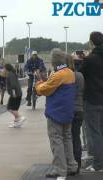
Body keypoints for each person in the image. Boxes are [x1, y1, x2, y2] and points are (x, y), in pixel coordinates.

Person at [35, 49, 78, 179]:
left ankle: (60, 169)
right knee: (67, 138)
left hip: (56, 113)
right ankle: (71, 165)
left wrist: (38, 83)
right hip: (68, 112)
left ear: (53, 61)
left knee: (56, 140)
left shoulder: (58, 74)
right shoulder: (70, 73)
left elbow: (45, 90)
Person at [79, 31, 103, 172]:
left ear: (91, 43)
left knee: (94, 133)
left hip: (93, 100)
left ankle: (98, 164)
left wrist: (80, 60)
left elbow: (80, 74)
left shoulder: (90, 60)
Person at [66, 54, 84, 174]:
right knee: (76, 137)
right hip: (80, 109)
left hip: (69, 109)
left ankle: (70, 164)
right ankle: (78, 163)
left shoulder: (66, 76)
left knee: (68, 138)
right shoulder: (80, 75)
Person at [4, 64, 25, 128]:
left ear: (7, 68)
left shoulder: (10, 74)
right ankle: (17, 123)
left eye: (4, 68)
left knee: (9, 108)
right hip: (17, 93)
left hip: (15, 94)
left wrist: (13, 93)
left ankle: (20, 117)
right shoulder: (12, 73)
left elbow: (13, 84)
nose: (3, 70)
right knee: (14, 108)